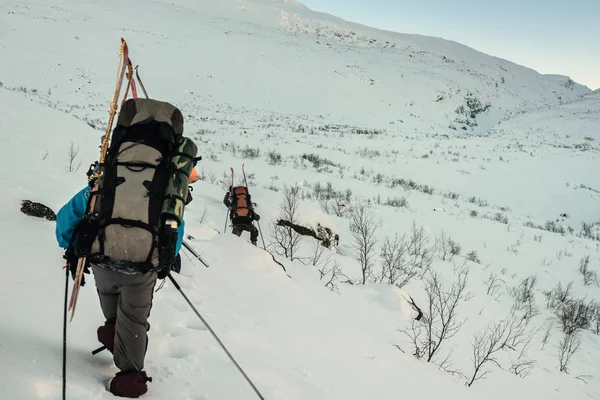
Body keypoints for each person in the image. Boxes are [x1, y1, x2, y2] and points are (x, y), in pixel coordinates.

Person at [55, 167, 198, 398]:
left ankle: (114, 334)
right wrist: (166, 260)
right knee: (133, 318)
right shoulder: (164, 191)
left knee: (113, 309)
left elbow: (68, 216)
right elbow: (175, 227)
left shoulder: (104, 182)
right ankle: (129, 376)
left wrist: (69, 248)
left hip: (103, 259)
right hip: (142, 267)